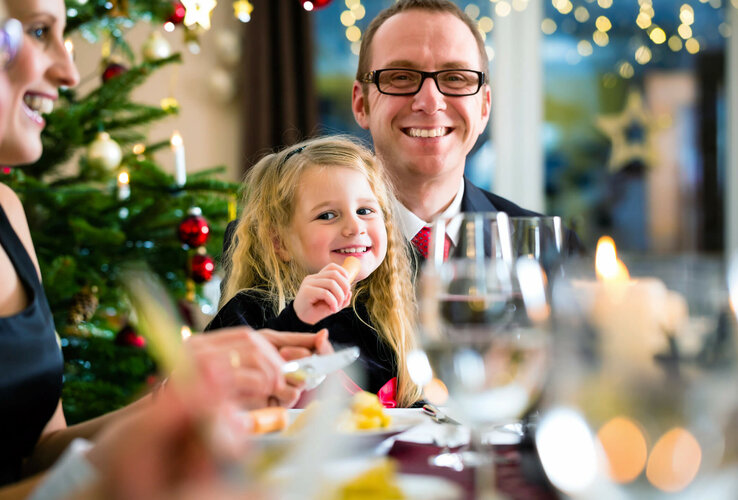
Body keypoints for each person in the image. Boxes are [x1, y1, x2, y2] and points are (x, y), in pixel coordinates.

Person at [0, 0, 328, 496]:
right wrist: (108, 474)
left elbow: (37, 454)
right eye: (39, 31)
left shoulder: (8, 211)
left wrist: (182, 395)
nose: (69, 72)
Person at [351, 0, 582, 259]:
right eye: (401, 77)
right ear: (362, 104)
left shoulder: (553, 249)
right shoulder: (308, 253)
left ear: (484, 108)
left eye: (455, 78)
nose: (430, 103)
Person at [208, 136, 421, 408]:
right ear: (280, 243)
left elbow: (415, 406)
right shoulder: (248, 311)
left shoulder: (386, 317)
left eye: (365, 210)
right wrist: (297, 319)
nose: (355, 227)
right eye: (328, 215)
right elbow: (216, 396)